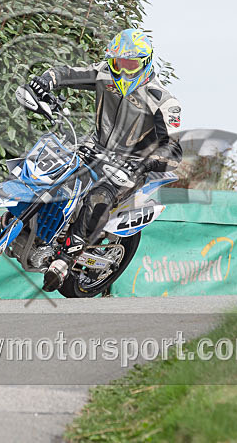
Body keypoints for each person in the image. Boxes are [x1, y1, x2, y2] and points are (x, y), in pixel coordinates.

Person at [24, 28, 183, 291]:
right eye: (118, 63)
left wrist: (142, 162)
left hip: (131, 165)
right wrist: (46, 80)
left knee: (99, 195)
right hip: (93, 149)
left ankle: (65, 259)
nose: (123, 69)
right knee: (49, 168)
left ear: (145, 63)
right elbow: (66, 73)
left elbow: (173, 151)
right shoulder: (104, 75)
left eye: (130, 64)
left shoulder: (163, 101)